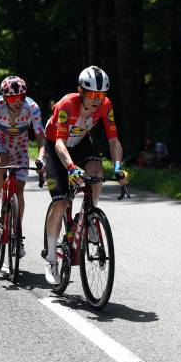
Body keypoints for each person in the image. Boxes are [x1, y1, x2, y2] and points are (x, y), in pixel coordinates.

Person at [42, 65, 128, 284]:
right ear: (80, 91)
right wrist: (71, 168)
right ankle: (51, 257)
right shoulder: (65, 105)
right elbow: (60, 143)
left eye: (101, 94)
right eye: (92, 94)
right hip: (56, 146)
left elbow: (113, 141)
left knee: (97, 172)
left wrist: (118, 168)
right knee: (60, 203)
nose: (97, 99)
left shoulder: (105, 106)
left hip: (80, 142)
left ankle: (91, 216)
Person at [0, 76, 46, 256]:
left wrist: (41, 158)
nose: (18, 102)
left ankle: (17, 236)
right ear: (4, 98)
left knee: (18, 191)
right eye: (12, 99)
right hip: (1, 143)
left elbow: (41, 135)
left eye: (21, 97)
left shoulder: (32, 107)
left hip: (20, 147)